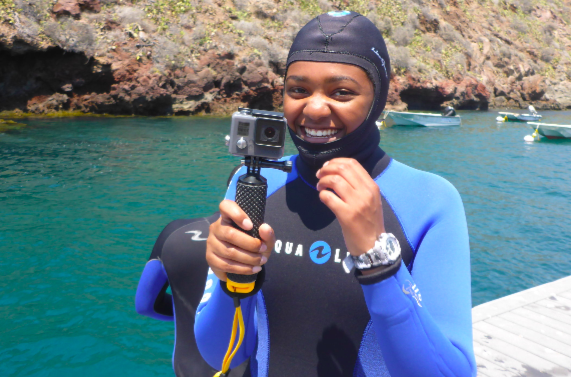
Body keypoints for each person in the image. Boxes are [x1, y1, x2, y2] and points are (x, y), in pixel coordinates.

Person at [194, 10, 477, 377]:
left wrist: (379, 260)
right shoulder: (256, 184)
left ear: (376, 99)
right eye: (297, 90)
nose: (312, 108)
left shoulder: (431, 201)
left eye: (341, 92)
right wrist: (230, 277)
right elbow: (219, 354)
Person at [134, 166, 249, 376]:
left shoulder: (175, 233)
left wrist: (189, 310)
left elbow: (144, 305)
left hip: (189, 369)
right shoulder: (278, 246)